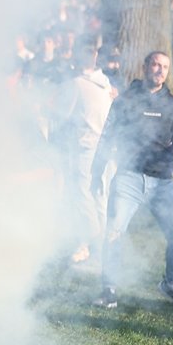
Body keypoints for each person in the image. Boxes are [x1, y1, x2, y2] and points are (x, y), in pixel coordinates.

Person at [91, 52, 173, 310]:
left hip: (163, 182)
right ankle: (109, 289)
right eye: (156, 64)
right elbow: (107, 135)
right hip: (129, 177)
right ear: (145, 66)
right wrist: (96, 171)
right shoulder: (126, 99)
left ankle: (171, 285)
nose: (160, 70)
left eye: (165, 67)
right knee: (114, 231)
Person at [57, 37, 114, 264]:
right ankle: (102, 246)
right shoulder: (106, 82)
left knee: (83, 193)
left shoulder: (78, 84)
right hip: (107, 146)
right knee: (101, 195)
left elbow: (62, 113)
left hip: (88, 146)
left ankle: (93, 241)